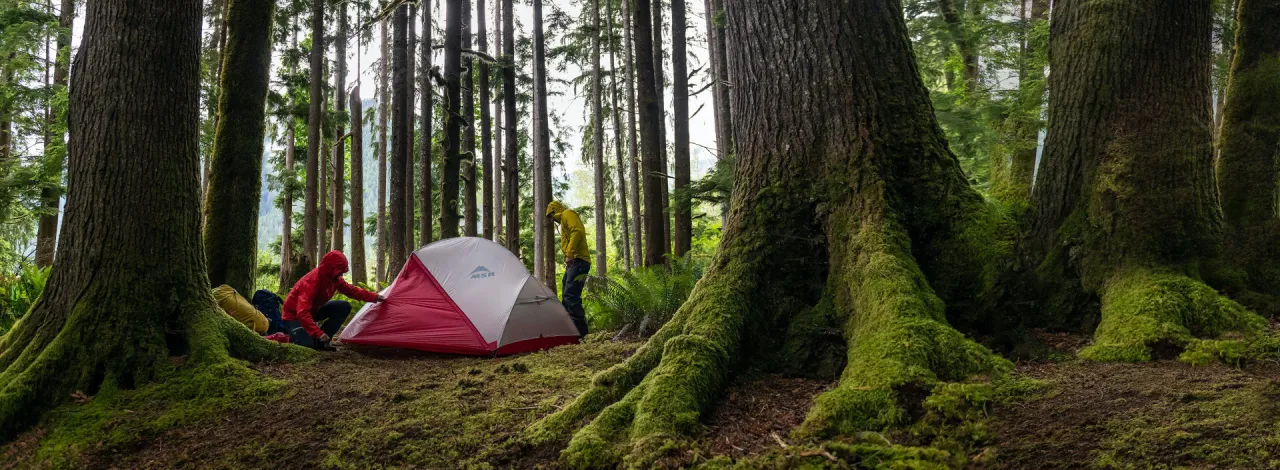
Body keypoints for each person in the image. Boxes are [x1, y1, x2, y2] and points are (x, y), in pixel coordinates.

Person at [283, 250, 383, 350]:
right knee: (307, 348)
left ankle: (322, 341)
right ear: (330, 268)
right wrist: (317, 333)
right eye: (339, 271)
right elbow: (302, 313)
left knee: (343, 306)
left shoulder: (334, 279)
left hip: (313, 312)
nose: (340, 275)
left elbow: (352, 291)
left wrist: (375, 297)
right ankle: (297, 336)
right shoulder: (311, 281)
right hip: (293, 317)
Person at [546, 201, 590, 338]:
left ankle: (581, 334)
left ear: (554, 211)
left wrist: (570, 253)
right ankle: (567, 330)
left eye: (550, 216)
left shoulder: (567, 214)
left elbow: (577, 231)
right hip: (575, 262)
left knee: (571, 295)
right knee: (567, 294)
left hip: (579, 261)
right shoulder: (563, 221)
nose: (551, 219)